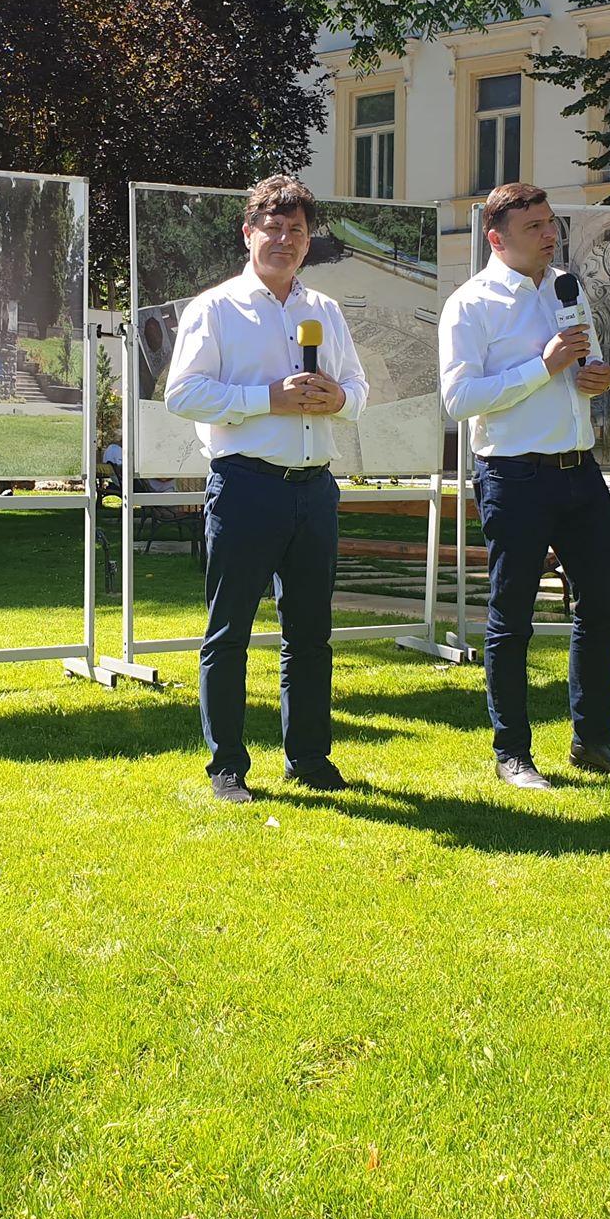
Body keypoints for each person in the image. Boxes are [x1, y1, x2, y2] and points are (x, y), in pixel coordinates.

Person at [438, 181, 610, 790]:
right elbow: (459, 400)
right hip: (514, 475)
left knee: (604, 602)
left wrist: (594, 377)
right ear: (496, 238)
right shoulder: (470, 304)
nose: (549, 234)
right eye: (534, 226)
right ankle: (513, 752)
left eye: (550, 222)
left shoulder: (567, 288)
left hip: (579, 469)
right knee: (513, 616)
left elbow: (584, 366)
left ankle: (593, 739)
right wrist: (544, 367)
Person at [165, 175, 369, 803]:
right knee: (229, 633)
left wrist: (338, 399)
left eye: (296, 230)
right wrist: (268, 399)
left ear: (308, 241)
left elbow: (358, 390)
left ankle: (308, 759)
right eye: (273, 228)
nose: (284, 240)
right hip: (246, 486)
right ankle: (227, 767)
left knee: (310, 636)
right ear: (248, 233)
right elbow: (183, 395)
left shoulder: (324, 310)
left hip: (315, 490)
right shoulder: (215, 308)